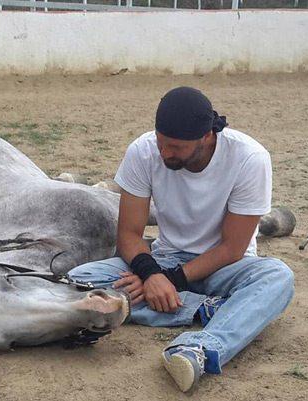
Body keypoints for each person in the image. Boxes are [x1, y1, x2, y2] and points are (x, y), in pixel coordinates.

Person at [68, 87, 294, 392]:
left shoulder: (249, 158)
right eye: (161, 143)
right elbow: (129, 235)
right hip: (165, 258)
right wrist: (151, 274)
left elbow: (232, 248)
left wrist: (169, 280)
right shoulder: (143, 150)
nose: (164, 153)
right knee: (78, 279)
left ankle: (199, 349)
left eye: (175, 147)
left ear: (205, 137)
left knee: (277, 277)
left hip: (225, 267)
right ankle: (205, 309)